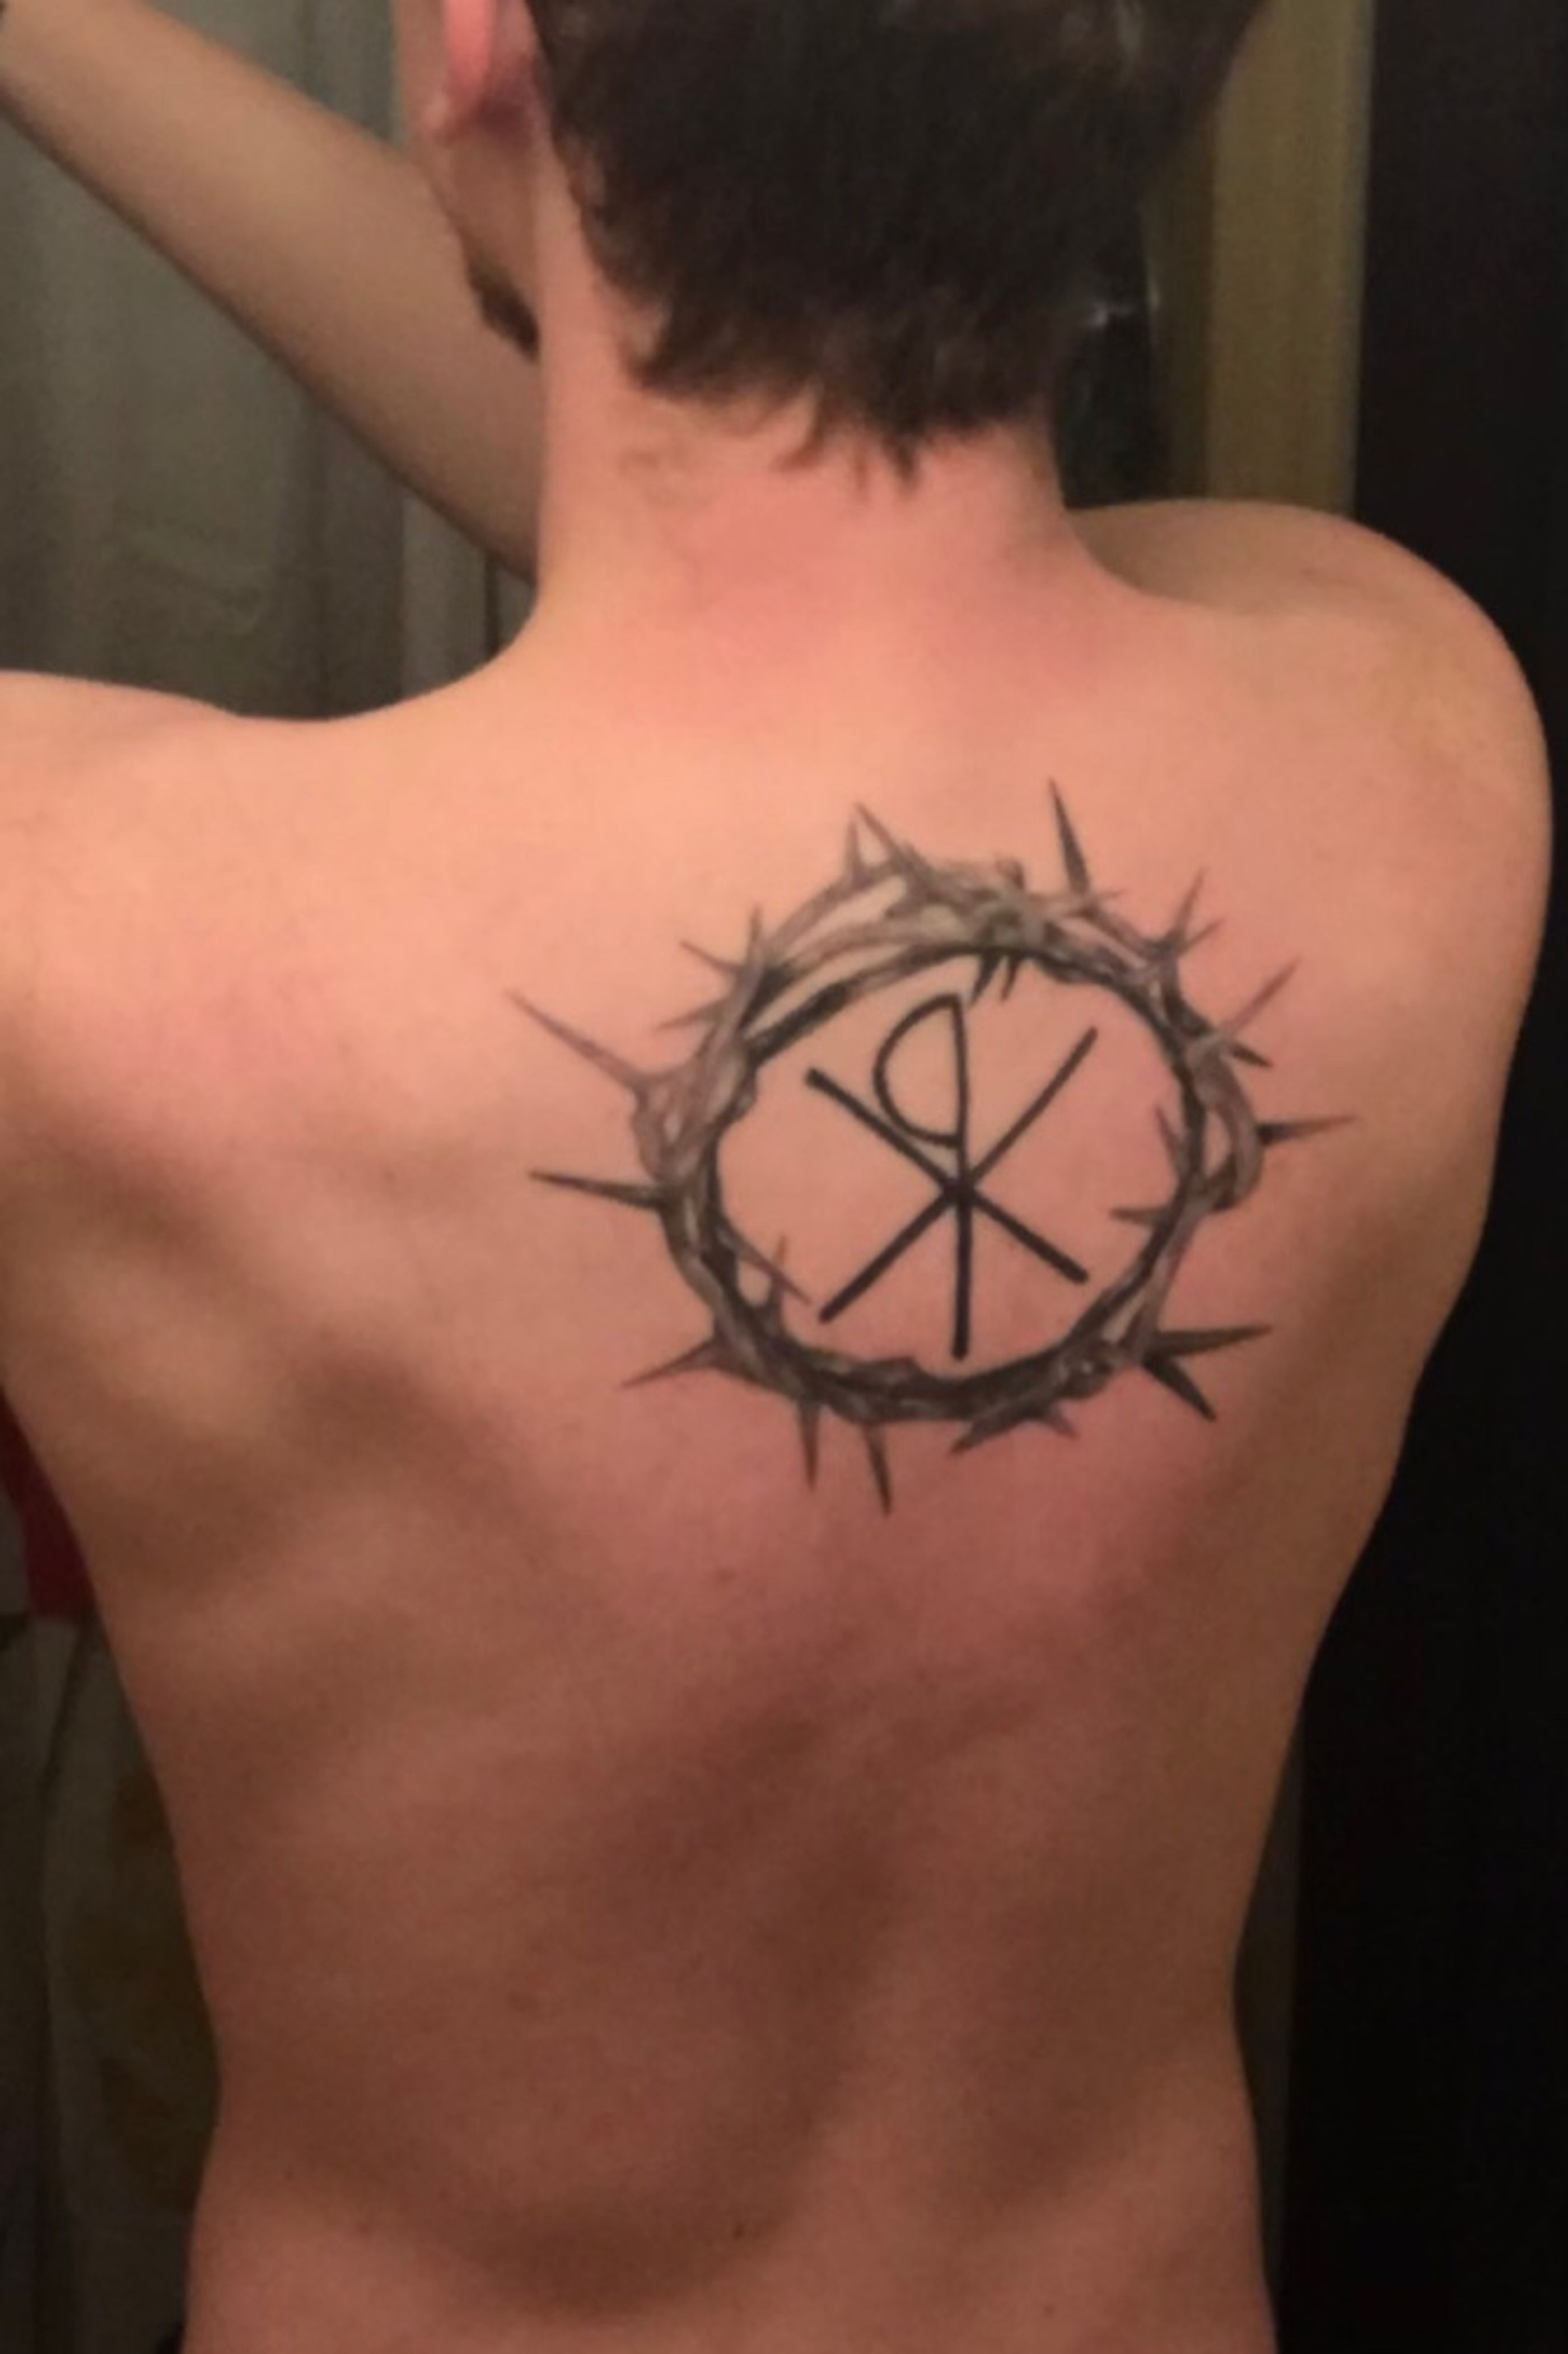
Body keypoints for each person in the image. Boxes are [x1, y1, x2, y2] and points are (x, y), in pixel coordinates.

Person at [0, 3, 1552, 2352]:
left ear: (475, 43)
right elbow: (760, 525)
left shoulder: (77, 937)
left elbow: (668, 483)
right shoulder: (1419, 737)